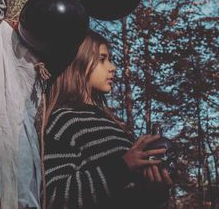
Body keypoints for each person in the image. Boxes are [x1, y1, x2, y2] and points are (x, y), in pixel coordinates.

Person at [42, 30, 173, 209]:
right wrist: (123, 167)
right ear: (78, 61)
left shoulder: (117, 127)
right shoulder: (62, 121)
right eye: (102, 59)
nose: (112, 67)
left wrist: (155, 193)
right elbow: (53, 197)